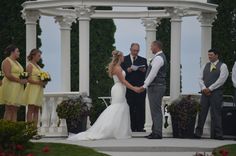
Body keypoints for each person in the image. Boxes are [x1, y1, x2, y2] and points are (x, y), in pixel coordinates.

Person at [68, 50, 140, 141]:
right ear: (119, 57)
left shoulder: (118, 67)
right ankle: (108, 130)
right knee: (117, 108)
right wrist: (134, 88)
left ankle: (119, 131)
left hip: (120, 89)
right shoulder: (117, 68)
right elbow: (123, 81)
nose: (124, 58)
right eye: (122, 56)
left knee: (121, 108)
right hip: (118, 89)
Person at [194, 49, 229, 140]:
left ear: (217, 55)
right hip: (205, 93)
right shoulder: (205, 65)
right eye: (209, 55)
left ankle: (218, 134)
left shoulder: (223, 66)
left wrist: (210, 88)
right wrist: (204, 88)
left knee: (216, 114)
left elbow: (221, 80)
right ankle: (198, 133)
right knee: (202, 113)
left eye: (211, 55)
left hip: (216, 93)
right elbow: (199, 78)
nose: (209, 57)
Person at [138, 40, 167, 139]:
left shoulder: (158, 58)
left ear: (156, 47)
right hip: (156, 86)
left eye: (151, 46)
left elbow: (153, 73)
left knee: (156, 110)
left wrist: (144, 85)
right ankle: (155, 131)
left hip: (156, 86)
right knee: (154, 110)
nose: (150, 48)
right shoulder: (158, 57)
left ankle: (158, 133)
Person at [121, 43, 147, 132]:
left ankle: (140, 127)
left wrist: (143, 70)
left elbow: (147, 74)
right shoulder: (124, 59)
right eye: (134, 50)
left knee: (140, 107)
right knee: (130, 107)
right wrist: (127, 70)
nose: (136, 52)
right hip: (128, 87)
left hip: (140, 88)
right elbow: (120, 73)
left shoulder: (143, 60)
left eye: (137, 50)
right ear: (130, 49)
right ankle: (131, 127)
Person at [0, 44, 27, 121]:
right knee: (9, 108)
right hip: (9, 86)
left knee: (15, 109)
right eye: (17, 51)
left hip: (17, 87)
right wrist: (20, 80)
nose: (19, 53)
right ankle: (7, 130)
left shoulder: (17, 62)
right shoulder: (7, 61)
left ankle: (13, 129)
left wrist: (24, 79)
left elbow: (20, 74)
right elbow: (8, 75)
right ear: (12, 52)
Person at [22, 49, 45, 126]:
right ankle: (29, 129)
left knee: (36, 109)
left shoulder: (38, 66)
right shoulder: (29, 65)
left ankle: (35, 129)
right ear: (33, 56)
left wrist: (44, 81)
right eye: (38, 56)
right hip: (32, 89)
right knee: (31, 108)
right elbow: (27, 79)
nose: (40, 57)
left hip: (39, 89)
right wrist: (38, 82)